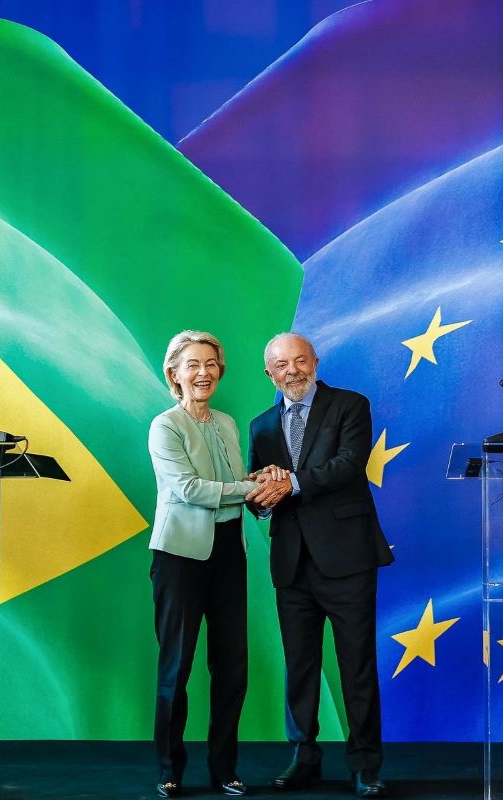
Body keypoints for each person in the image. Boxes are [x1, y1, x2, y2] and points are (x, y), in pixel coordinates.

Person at [246, 332, 394, 798]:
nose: (292, 370)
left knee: (357, 665)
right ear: (269, 373)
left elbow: (350, 465)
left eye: (299, 360)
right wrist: (262, 498)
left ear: (315, 361)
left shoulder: (350, 405)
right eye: (281, 364)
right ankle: (304, 756)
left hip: (347, 557)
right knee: (300, 667)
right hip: (291, 564)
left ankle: (365, 764)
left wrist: (287, 483)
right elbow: (258, 492)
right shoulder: (261, 425)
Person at [148, 330, 260, 798]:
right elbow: (189, 490)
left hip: (230, 551)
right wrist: (248, 487)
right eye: (192, 364)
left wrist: (264, 485)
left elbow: (236, 484)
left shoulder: (230, 424)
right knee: (177, 665)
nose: (203, 372)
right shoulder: (165, 425)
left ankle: (224, 768)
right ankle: (169, 768)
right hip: (180, 555)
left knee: (232, 667)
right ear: (174, 373)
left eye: (211, 364)